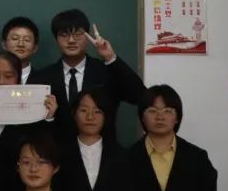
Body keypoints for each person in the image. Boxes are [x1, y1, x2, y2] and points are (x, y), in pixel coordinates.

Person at [34, 9, 145, 143]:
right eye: (64, 34)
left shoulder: (106, 71)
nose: (71, 40)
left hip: (103, 151)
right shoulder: (43, 78)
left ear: (88, 37)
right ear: (56, 39)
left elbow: (139, 96)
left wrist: (110, 57)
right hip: (59, 152)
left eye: (78, 34)